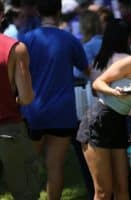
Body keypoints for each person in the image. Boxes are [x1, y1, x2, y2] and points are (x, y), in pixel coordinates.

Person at [76, 25, 131, 200]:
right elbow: (98, 83)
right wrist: (114, 92)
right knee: (103, 191)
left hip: (120, 123)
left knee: (122, 189)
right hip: (99, 121)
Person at [20, 0, 89, 199]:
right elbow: (87, 71)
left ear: (37, 11)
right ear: (59, 12)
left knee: (29, 166)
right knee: (55, 167)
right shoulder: (70, 39)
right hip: (62, 112)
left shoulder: (26, 40)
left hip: (33, 111)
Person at [0, 1, 40, 199]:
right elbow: (26, 97)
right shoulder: (15, 49)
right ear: (1, 16)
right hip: (9, 130)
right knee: (25, 193)